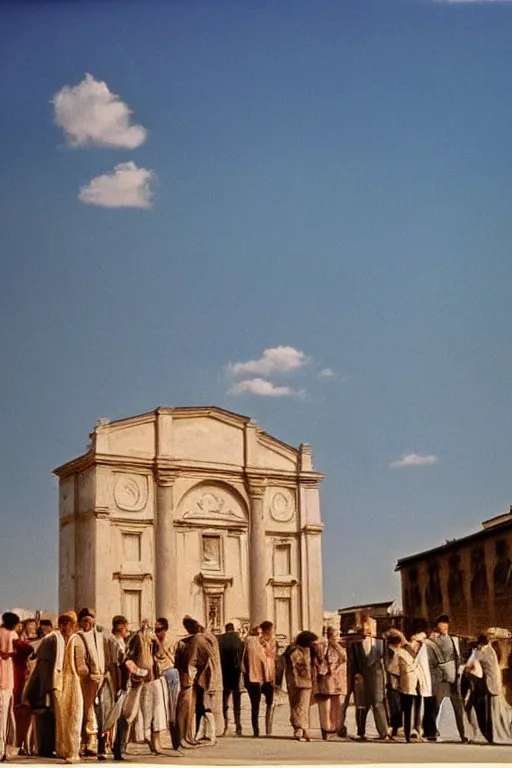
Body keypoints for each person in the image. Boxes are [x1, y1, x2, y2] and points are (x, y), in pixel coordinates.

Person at [466, 634, 512, 744]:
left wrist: (473, 653)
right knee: (495, 712)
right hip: (495, 684)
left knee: (493, 713)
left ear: (480, 644)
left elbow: (469, 665)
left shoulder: (482, 652)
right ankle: (492, 735)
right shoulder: (490, 650)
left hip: (491, 685)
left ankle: (493, 735)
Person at [53, 611, 87, 764]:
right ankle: (63, 749)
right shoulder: (59, 640)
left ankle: (74, 751)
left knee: (74, 716)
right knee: (62, 717)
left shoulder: (76, 640)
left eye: (66, 623)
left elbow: (81, 665)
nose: (63, 626)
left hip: (73, 681)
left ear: (72, 625)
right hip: (61, 681)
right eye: (62, 623)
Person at [349, 612, 388, 740]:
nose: (367, 629)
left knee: (378, 703)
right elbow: (353, 661)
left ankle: (384, 732)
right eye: (365, 626)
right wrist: (356, 674)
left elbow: (386, 660)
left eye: (370, 626)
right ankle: (361, 732)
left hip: (377, 676)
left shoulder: (380, 642)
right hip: (361, 676)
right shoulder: (355, 644)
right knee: (361, 705)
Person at [427, 615, 467, 743]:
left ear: (447, 626)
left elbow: (459, 658)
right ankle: (432, 732)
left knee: (458, 708)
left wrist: (459, 673)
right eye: (440, 624)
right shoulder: (433, 641)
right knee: (435, 706)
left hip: (453, 678)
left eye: (444, 624)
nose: (442, 627)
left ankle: (463, 734)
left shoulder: (454, 640)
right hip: (439, 678)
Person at [77, 608, 110, 758]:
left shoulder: (100, 635)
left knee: (99, 710)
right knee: (88, 710)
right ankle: (88, 742)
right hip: (87, 678)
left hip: (101, 676)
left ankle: (95, 742)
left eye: (91, 618)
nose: (88, 622)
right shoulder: (79, 637)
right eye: (85, 619)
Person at [284, 631, 318, 742]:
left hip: (305, 682)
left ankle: (303, 729)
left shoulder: (308, 650)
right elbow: (298, 664)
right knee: (296, 705)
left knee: (303, 706)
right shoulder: (295, 651)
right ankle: (299, 728)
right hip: (296, 681)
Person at [315, 627, 347, 740]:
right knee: (328, 707)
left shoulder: (338, 647)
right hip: (329, 680)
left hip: (336, 681)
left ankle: (333, 729)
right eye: (336, 634)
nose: (337, 636)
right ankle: (329, 729)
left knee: (334, 706)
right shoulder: (324, 647)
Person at [174, 616, 201, 749]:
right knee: (184, 710)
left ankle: (187, 736)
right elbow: (189, 661)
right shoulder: (189, 642)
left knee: (190, 710)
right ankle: (182, 737)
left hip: (190, 678)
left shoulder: (186, 641)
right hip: (187, 678)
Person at [386, 633, 417, 742]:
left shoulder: (397, 654)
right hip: (412, 681)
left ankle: (397, 731)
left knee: (399, 709)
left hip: (403, 682)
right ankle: (407, 734)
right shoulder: (407, 653)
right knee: (408, 710)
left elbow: (392, 670)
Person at [408, 621, 435, 741]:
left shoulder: (426, 646)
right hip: (414, 679)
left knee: (422, 704)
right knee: (415, 704)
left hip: (424, 680)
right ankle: (415, 728)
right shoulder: (412, 646)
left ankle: (420, 729)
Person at [242, 626, 272, 737]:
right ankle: (268, 728)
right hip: (265, 678)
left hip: (251, 679)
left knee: (255, 706)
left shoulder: (246, 643)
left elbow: (242, 662)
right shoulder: (264, 643)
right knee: (269, 703)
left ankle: (256, 731)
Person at [217, 623, 243, 737]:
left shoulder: (220, 640)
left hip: (224, 672)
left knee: (224, 701)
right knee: (237, 701)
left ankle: (226, 726)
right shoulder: (239, 640)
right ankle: (238, 726)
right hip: (236, 673)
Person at [0, 612, 20, 762]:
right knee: (4, 717)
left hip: (5, 681)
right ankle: (1, 750)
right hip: (6, 681)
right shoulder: (12, 635)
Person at [259, 621, 277, 736]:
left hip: (269, 675)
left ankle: (268, 728)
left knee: (270, 702)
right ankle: (266, 729)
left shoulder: (272, 642)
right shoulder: (260, 642)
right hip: (262, 674)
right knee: (268, 702)